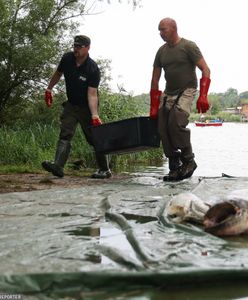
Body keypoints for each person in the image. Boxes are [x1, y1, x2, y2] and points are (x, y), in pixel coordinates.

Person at [42, 35, 111, 179]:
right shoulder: (67, 59)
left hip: (87, 107)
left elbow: (92, 94)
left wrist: (94, 115)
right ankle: (58, 167)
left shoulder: (92, 68)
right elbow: (58, 73)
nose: (76, 49)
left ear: (88, 48)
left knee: (94, 138)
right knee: (65, 133)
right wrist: (49, 89)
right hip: (71, 105)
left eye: (79, 47)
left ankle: (105, 169)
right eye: (75, 46)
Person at [150, 18, 211, 181]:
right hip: (169, 93)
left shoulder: (188, 46)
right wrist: (154, 105)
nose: (160, 33)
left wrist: (203, 95)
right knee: (162, 127)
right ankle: (174, 165)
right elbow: (155, 79)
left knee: (176, 121)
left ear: (173, 28)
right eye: (159, 30)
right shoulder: (161, 51)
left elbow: (205, 69)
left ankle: (189, 160)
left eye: (163, 30)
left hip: (187, 90)